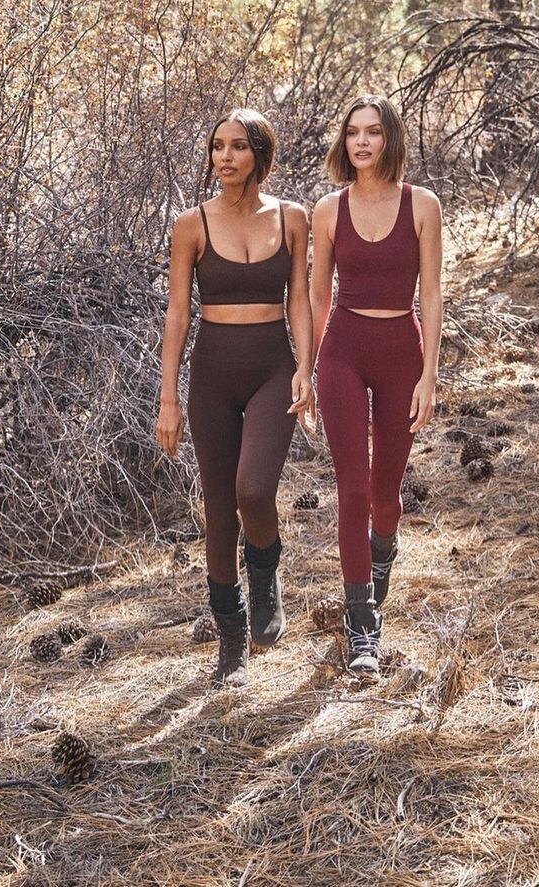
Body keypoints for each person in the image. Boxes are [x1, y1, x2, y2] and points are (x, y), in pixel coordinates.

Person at [156, 109, 314, 686]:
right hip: (212, 375)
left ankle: (265, 570)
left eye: (238, 146)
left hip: (273, 368)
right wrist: (168, 398)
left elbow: (300, 300)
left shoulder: (293, 218)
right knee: (220, 509)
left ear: (259, 155)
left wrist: (307, 369)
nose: (225, 156)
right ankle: (230, 639)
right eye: (218, 146)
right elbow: (178, 313)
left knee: (254, 490)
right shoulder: (191, 225)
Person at [310, 95, 443, 681]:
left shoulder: (423, 205)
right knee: (354, 489)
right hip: (342, 351)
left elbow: (432, 294)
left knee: (386, 493)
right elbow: (317, 295)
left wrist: (430, 375)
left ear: (390, 139)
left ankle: (382, 549)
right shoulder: (327, 209)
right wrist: (308, 366)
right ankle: (362, 624)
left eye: (372, 132)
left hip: (401, 355)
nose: (361, 142)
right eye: (352, 132)